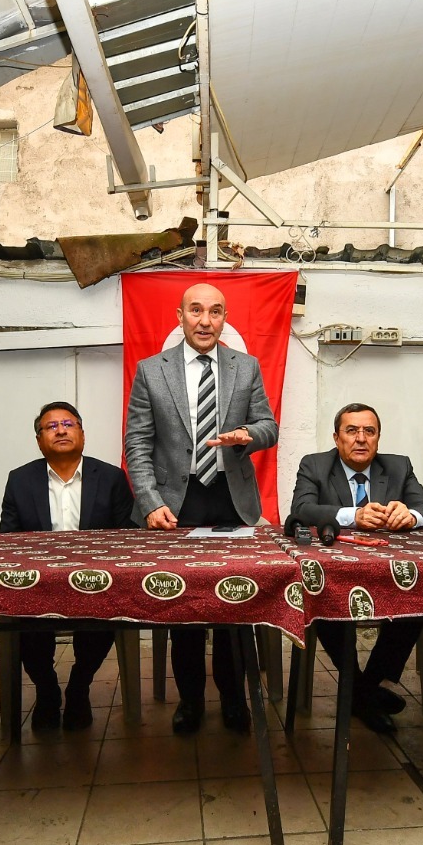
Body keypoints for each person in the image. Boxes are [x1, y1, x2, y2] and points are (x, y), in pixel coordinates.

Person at [124, 281, 279, 735]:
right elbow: (137, 443)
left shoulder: (246, 366)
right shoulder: (151, 371)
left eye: (215, 312)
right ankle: (190, 701)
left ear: (224, 319)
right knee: (184, 609)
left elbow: (268, 426)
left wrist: (248, 435)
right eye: (196, 310)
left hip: (231, 500)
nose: (205, 320)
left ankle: (233, 698)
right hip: (177, 503)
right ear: (180, 316)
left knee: (236, 605)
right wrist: (150, 502)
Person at [291, 403, 423, 733]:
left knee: (417, 596)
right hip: (335, 573)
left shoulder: (398, 466)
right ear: (337, 438)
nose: (361, 438)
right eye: (352, 431)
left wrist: (410, 516)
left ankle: (362, 690)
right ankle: (365, 693)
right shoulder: (315, 465)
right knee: (321, 594)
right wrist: (352, 516)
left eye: (369, 431)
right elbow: (300, 509)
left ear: (378, 438)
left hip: (388, 573)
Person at [0, 401, 135, 731]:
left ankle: (79, 685)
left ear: (82, 434)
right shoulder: (20, 480)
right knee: (21, 613)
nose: (60, 430)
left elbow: (127, 537)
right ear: (39, 440)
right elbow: (8, 539)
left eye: (68, 424)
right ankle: (46, 689)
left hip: (95, 581)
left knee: (105, 607)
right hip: (39, 583)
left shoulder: (111, 478)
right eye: (51, 426)